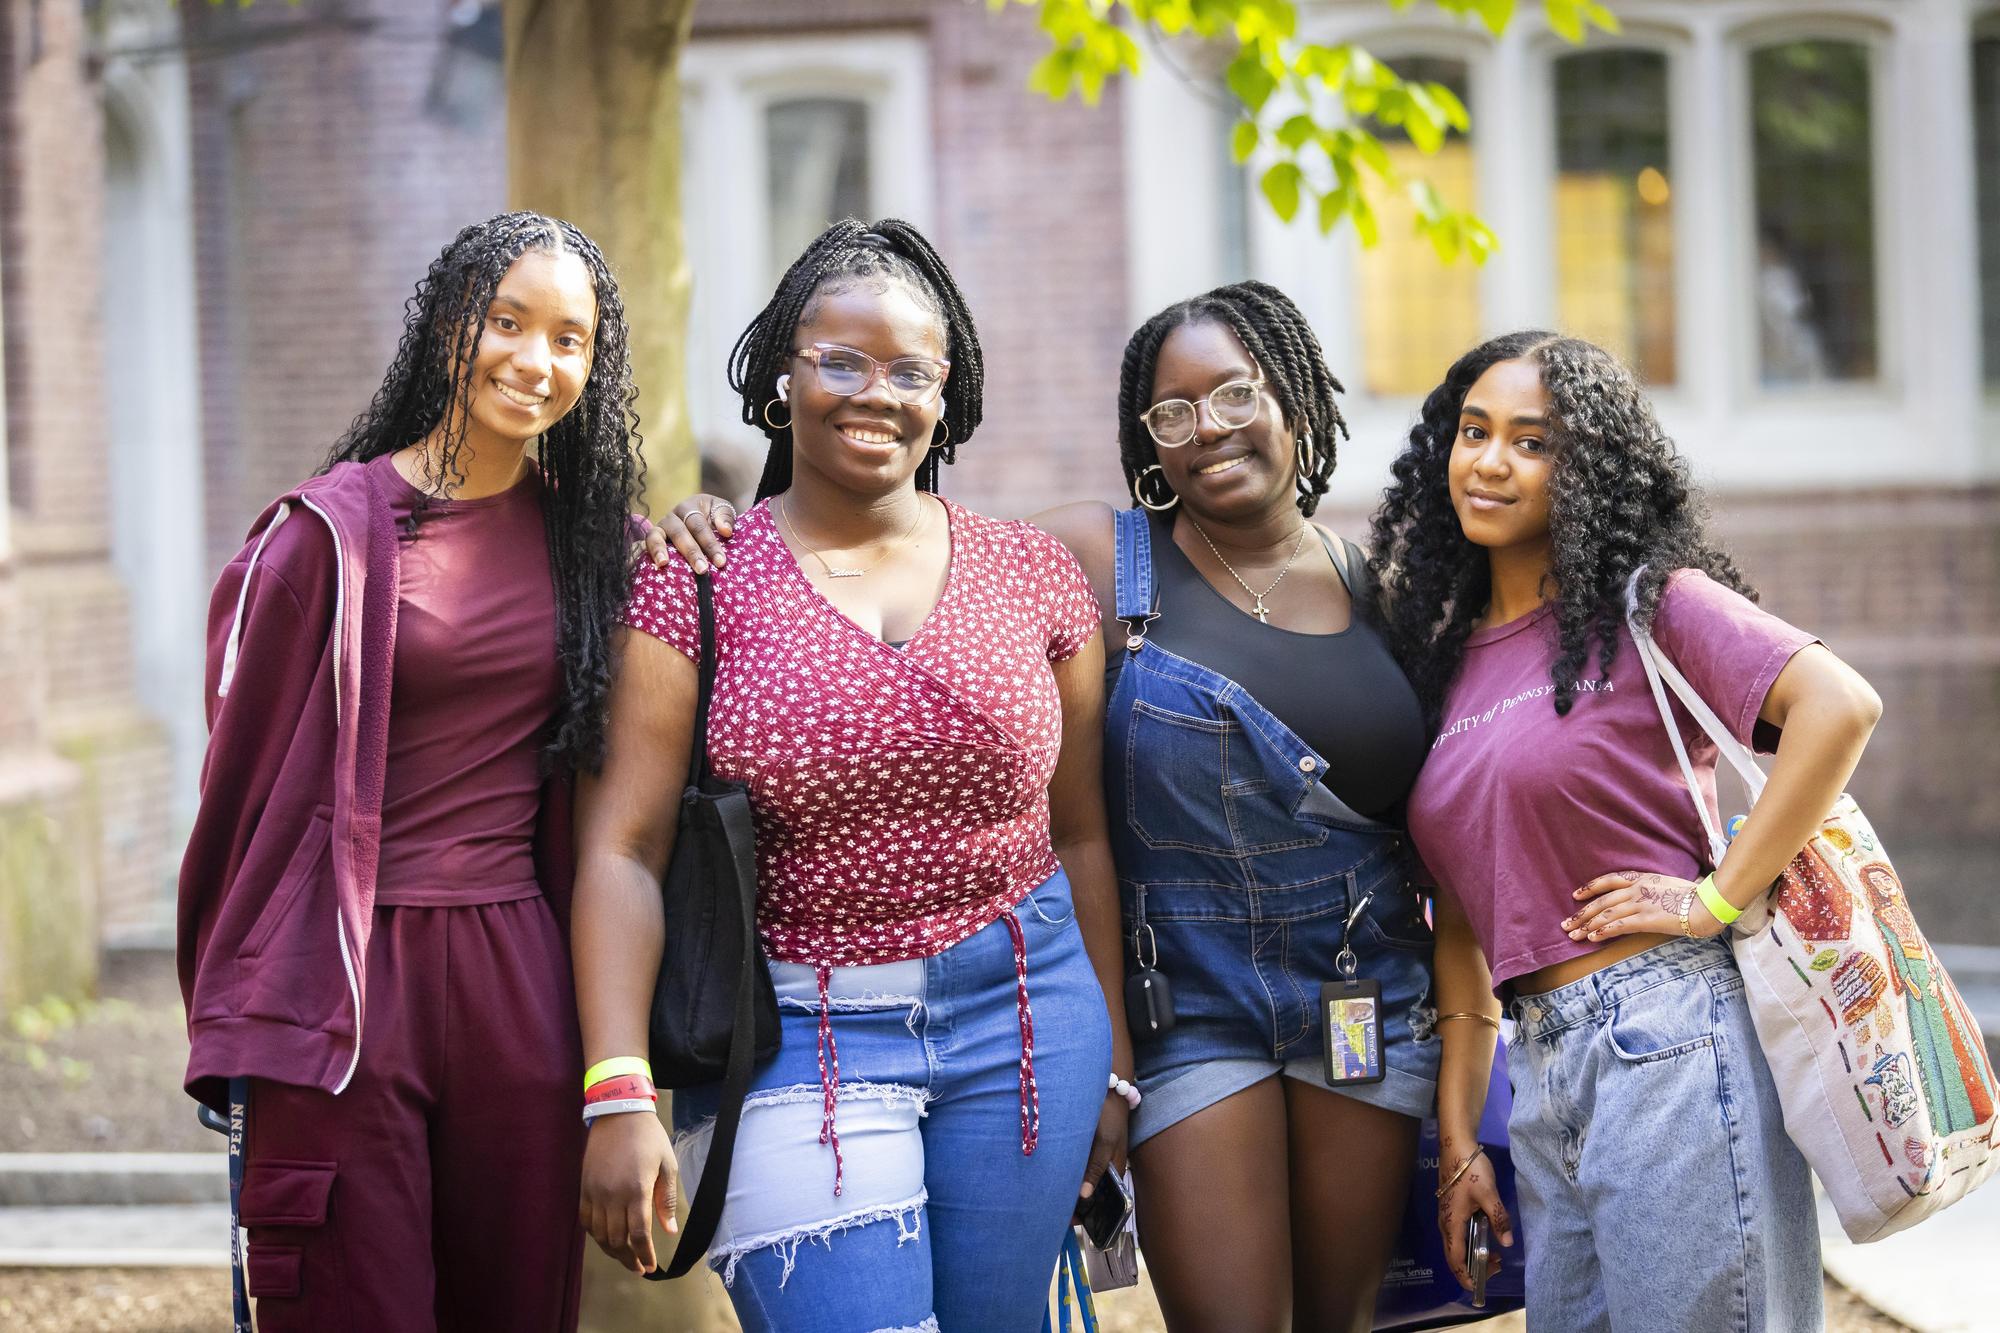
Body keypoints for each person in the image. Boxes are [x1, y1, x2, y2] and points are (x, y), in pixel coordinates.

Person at [655, 280, 1498, 1333]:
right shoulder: (1094, 559)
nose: (1206, 431)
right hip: (1184, 1008)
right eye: (1171, 414)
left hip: (1361, 1002)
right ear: (1146, 441)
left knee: (1339, 1320)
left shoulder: (1385, 586)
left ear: (1292, 399)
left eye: (1233, 395)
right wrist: (729, 528)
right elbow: (896, 535)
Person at [573, 217, 1127, 1333]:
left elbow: (1079, 837)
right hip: (796, 1041)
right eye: (839, 361)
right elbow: (620, 848)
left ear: (947, 393)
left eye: (910, 370)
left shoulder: (1031, 575)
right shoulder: (702, 580)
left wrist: (1110, 1061)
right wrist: (617, 1087)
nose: (875, 392)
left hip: (1027, 1028)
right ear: (783, 376)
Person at [176, 211, 641, 1332]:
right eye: (507, 321)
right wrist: (239, 1025)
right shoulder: (320, 538)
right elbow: (235, 803)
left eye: (569, 339)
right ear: (447, 326)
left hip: (518, 981)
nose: (534, 360)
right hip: (346, 988)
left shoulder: (598, 547)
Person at [1375, 330, 1883, 1331]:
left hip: (1669, 1039)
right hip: (1539, 1067)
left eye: (1530, 442)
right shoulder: (1445, 662)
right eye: (1472, 431)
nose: (1487, 461)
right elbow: (1463, 929)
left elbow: (1837, 705)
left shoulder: (1647, 609)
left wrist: (1713, 896)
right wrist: (1460, 1143)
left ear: (1586, 469)